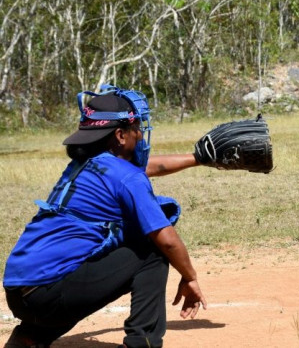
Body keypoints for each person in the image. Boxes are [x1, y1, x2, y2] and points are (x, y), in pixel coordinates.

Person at [3, 85, 207, 348]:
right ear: (121, 135)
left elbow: (145, 168)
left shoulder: (84, 165)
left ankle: (30, 338)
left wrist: (198, 158)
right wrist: (190, 278)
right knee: (154, 250)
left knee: (74, 263)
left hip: (20, 294)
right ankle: (142, 342)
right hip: (48, 297)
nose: (140, 134)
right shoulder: (127, 177)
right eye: (136, 127)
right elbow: (167, 241)